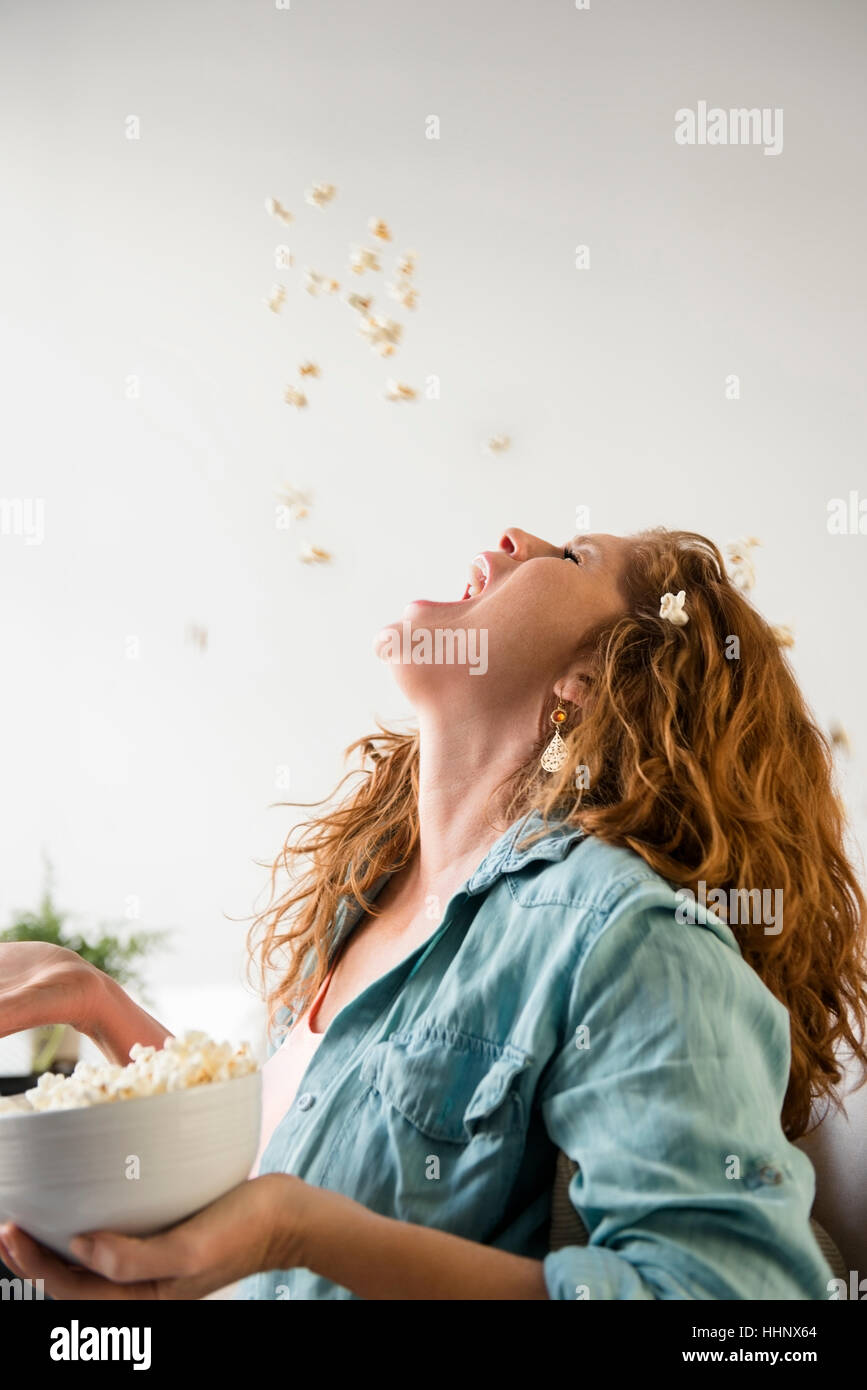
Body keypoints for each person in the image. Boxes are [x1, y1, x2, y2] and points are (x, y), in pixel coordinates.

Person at [1, 525, 865, 1300]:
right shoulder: (363, 904)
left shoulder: (623, 935)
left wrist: (300, 1234)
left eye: (571, 556)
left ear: (595, 679)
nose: (514, 535)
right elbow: (269, 1185)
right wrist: (99, 1005)